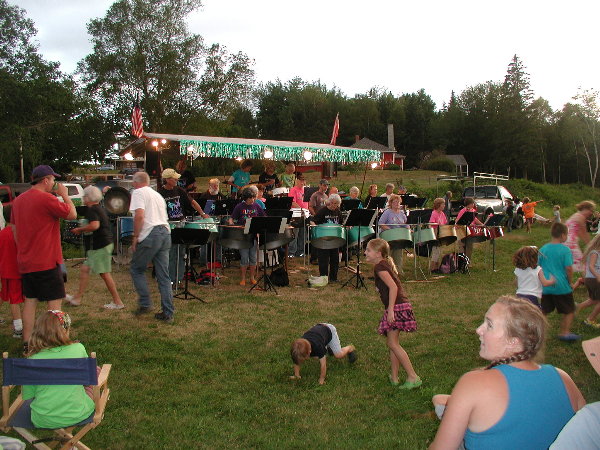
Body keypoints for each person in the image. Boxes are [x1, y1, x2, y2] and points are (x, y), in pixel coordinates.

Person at [429, 296, 585, 450]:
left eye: (489, 325)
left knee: (445, 404)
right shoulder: (562, 377)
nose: (478, 330)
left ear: (513, 341)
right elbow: (587, 431)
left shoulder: (473, 383)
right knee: (440, 400)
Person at [12, 165, 76, 345]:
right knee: (54, 304)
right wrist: (65, 195)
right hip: (47, 261)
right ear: (46, 180)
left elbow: (15, 230)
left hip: (26, 261)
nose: (55, 183)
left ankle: (27, 342)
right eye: (53, 179)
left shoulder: (19, 200)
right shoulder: (47, 199)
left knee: (30, 301)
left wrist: (24, 249)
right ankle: (55, 341)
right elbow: (72, 214)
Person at [23, 310, 96, 429]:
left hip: (42, 419)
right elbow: (87, 380)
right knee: (90, 386)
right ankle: (68, 437)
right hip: (78, 414)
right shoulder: (78, 349)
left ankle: (65, 437)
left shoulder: (32, 360)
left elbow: (28, 395)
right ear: (65, 330)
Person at [364, 238, 421, 388]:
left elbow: (393, 287)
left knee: (393, 344)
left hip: (396, 307)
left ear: (378, 253)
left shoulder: (380, 267)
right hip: (399, 305)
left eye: (368, 250)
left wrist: (390, 311)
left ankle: (413, 376)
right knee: (392, 343)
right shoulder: (383, 264)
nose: (365, 252)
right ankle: (394, 378)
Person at [65, 186, 124, 310]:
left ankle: (118, 302)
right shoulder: (98, 208)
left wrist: (80, 229)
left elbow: (94, 225)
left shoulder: (92, 210)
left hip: (101, 245)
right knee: (85, 269)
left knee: (104, 274)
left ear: (88, 197)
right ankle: (77, 298)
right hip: (102, 244)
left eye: (84, 196)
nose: (83, 198)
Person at [129, 171, 174, 323]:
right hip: (165, 233)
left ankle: (145, 303)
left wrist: (135, 237)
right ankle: (168, 313)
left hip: (151, 233)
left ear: (136, 182)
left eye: (133, 182)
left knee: (137, 269)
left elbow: (139, 216)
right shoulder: (157, 195)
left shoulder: (138, 193)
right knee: (164, 276)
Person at [158, 168, 209, 285]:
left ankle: (179, 279)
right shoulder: (160, 194)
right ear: (167, 180)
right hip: (169, 225)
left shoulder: (179, 190)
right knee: (171, 253)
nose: (177, 180)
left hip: (181, 224)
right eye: (174, 178)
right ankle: (170, 280)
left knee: (181, 253)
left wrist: (202, 213)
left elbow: (192, 202)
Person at [539, 222, 578, 341]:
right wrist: (570, 282)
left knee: (544, 310)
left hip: (546, 286)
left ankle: (539, 332)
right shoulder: (565, 250)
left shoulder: (543, 249)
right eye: (567, 234)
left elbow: (538, 266)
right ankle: (564, 332)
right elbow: (569, 268)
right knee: (569, 310)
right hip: (562, 286)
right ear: (562, 235)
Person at [290, 323, 356, 385]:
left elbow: (323, 364)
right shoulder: (298, 349)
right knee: (317, 355)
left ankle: (350, 348)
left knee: (338, 355)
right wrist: (296, 375)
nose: (302, 361)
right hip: (320, 331)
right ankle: (328, 348)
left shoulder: (318, 347)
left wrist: (322, 379)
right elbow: (296, 360)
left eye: (304, 358)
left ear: (309, 352)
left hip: (330, 331)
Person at [228, 187, 265, 286]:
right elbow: (232, 218)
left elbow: (263, 217)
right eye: (250, 198)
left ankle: (252, 277)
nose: (252, 200)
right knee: (244, 257)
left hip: (253, 235)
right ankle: (243, 278)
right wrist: (232, 224)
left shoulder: (256, 205)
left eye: (253, 198)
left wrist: (260, 229)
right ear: (245, 198)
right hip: (243, 236)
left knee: (253, 257)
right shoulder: (239, 206)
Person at [0, 205, 24, 338]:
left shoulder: (2, 234)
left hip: (4, 270)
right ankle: (18, 328)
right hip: (16, 271)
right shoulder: (18, 233)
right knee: (15, 299)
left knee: (5, 294)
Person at [310, 194, 343, 282]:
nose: (334, 205)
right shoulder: (323, 211)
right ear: (329, 202)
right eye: (332, 203)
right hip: (323, 238)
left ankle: (333, 278)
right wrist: (315, 227)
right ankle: (323, 277)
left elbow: (341, 224)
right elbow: (312, 221)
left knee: (335, 259)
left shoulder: (338, 211)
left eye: (336, 204)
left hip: (334, 238)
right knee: (323, 259)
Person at [378, 194, 407, 274]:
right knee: (387, 254)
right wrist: (390, 230)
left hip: (399, 237)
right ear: (391, 203)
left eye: (398, 202)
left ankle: (397, 271)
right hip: (388, 236)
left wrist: (408, 229)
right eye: (394, 202)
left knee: (398, 254)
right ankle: (385, 271)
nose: (397, 204)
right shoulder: (387, 212)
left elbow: (405, 224)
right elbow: (381, 223)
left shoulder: (402, 213)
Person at [576, 234, 600, 328]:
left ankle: (577, 307)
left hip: (592, 279)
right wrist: (597, 276)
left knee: (593, 300)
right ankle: (590, 320)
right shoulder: (594, 253)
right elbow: (591, 266)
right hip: (594, 279)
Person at [564, 200, 595, 272]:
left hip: (564, 240)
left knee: (571, 261)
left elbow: (579, 233)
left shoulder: (575, 215)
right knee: (582, 262)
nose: (591, 213)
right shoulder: (581, 217)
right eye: (591, 210)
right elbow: (585, 233)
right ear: (585, 208)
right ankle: (588, 278)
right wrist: (591, 245)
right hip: (570, 243)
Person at [288, 175, 308, 257]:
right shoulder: (293, 190)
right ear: (297, 181)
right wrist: (301, 209)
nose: (302, 182)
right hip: (296, 214)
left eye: (304, 180)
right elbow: (292, 202)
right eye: (301, 180)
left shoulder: (306, 190)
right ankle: (291, 252)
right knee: (295, 233)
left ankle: (300, 251)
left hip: (305, 214)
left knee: (303, 234)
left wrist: (306, 211)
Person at [429, 198, 448, 273]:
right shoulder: (434, 213)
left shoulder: (442, 213)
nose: (444, 206)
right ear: (438, 205)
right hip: (435, 234)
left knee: (439, 251)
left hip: (441, 234)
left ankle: (437, 267)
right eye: (443, 204)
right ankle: (432, 268)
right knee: (435, 252)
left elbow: (444, 223)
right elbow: (431, 224)